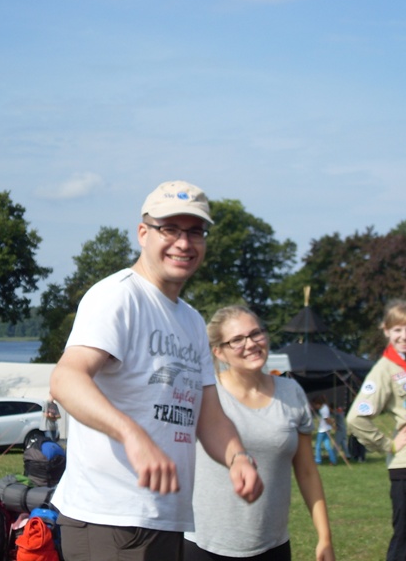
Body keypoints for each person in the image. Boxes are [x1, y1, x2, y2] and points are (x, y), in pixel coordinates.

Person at [49, 180, 263, 561]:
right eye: (170, 229)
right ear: (143, 233)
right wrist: (132, 435)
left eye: (195, 231)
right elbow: (66, 380)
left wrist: (237, 457)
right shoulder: (117, 296)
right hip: (110, 519)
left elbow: (210, 417)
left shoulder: (192, 321)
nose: (183, 242)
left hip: (166, 518)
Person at [184, 305, 335, 561]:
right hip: (205, 545)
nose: (251, 344)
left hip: (272, 545)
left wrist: (325, 538)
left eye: (256, 333)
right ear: (218, 351)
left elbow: (307, 471)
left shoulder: (291, 392)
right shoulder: (204, 393)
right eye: (237, 340)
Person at [346, 299, 406, 561]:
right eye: (397, 330)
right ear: (386, 330)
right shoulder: (384, 369)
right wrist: (389, 445)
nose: (404, 336)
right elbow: (355, 418)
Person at [311, 395, 337, 466]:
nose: (315, 407)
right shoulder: (325, 407)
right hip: (327, 429)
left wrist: (333, 425)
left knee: (318, 446)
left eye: (315, 405)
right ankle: (333, 460)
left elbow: (327, 420)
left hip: (323, 430)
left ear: (318, 404)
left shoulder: (323, 410)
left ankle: (318, 460)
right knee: (327, 446)